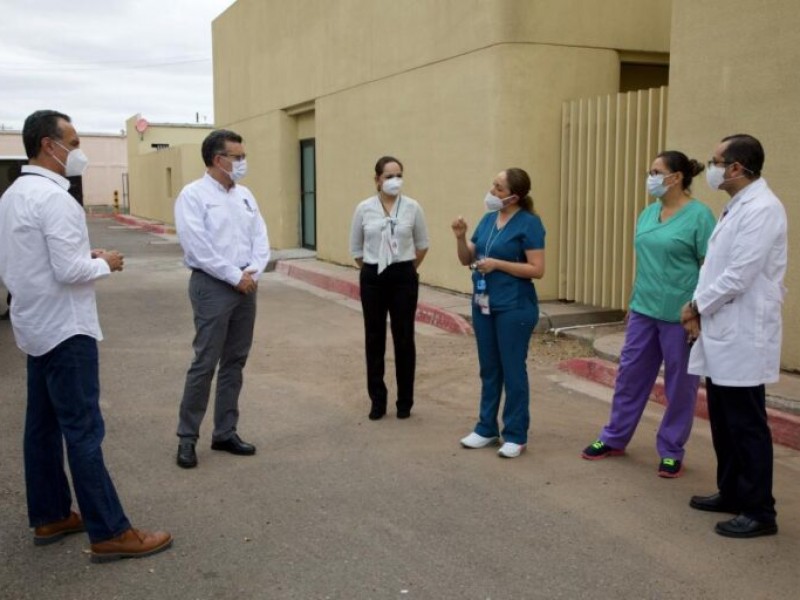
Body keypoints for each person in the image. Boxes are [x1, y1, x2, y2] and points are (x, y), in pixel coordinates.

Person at [0, 110, 172, 562]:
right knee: (83, 431)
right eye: (72, 144)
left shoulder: (15, 194)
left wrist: (85, 254)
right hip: (65, 328)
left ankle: (51, 513)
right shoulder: (57, 200)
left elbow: (33, 258)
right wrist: (105, 262)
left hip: (35, 325)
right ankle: (110, 530)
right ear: (46, 145)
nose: (78, 153)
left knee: (41, 426)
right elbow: (68, 269)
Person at [581, 151, 716, 477]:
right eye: (650, 171)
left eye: (656, 171)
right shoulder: (648, 213)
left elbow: (711, 266)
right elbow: (645, 262)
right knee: (630, 376)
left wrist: (698, 310)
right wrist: (633, 300)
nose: (650, 177)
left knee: (680, 386)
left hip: (680, 316)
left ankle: (671, 449)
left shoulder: (700, 216)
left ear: (677, 177)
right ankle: (614, 437)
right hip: (643, 309)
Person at [681, 134, 787, 538]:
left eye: (716, 161)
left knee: (746, 423)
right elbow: (715, 268)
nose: (710, 168)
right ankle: (732, 491)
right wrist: (701, 305)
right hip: (723, 325)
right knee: (725, 419)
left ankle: (760, 510)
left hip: (744, 330)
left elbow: (740, 274)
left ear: (737, 168)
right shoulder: (737, 206)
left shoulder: (763, 208)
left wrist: (695, 306)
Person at [174, 129, 270, 468]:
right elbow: (197, 247)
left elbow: (260, 237)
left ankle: (225, 432)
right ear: (218, 159)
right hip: (214, 285)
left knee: (235, 361)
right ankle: (187, 437)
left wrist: (253, 271)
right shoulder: (193, 195)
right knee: (205, 363)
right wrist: (234, 276)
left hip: (247, 285)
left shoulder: (245, 195)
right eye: (238, 156)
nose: (243, 162)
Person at [452, 168, 545, 458]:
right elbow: (468, 257)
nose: (492, 191)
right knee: (489, 367)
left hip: (514, 306)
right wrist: (461, 236)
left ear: (514, 196)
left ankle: (516, 434)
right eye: (493, 185)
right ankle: (486, 427)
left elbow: (537, 269)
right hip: (484, 303)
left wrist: (498, 264)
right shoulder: (489, 218)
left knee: (512, 370)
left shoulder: (529, 223)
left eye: (499, 188)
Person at [349, 156, 429, 420]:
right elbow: (357, 249)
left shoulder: (412, 207)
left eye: (399, 175)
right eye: (389, 176)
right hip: (373, 275)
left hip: (403, 275)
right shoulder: (364, 208)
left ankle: (405, 401)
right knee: (374, 337)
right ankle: (377, 399)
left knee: (404, 337)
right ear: (377, 180)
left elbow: (422, 244)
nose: (394, 181)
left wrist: (405, 268)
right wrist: (375, 267)